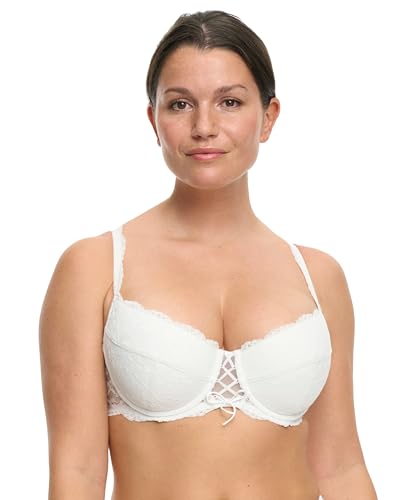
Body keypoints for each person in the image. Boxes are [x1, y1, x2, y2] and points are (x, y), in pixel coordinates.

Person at [39, 10, 377, 500]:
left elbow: (341, 466)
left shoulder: (319, 277)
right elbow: (77, 472)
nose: (204, 126)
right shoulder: (94, 268)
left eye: (230, 102)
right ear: (154, 121)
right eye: (180, 104)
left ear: (269, 117)